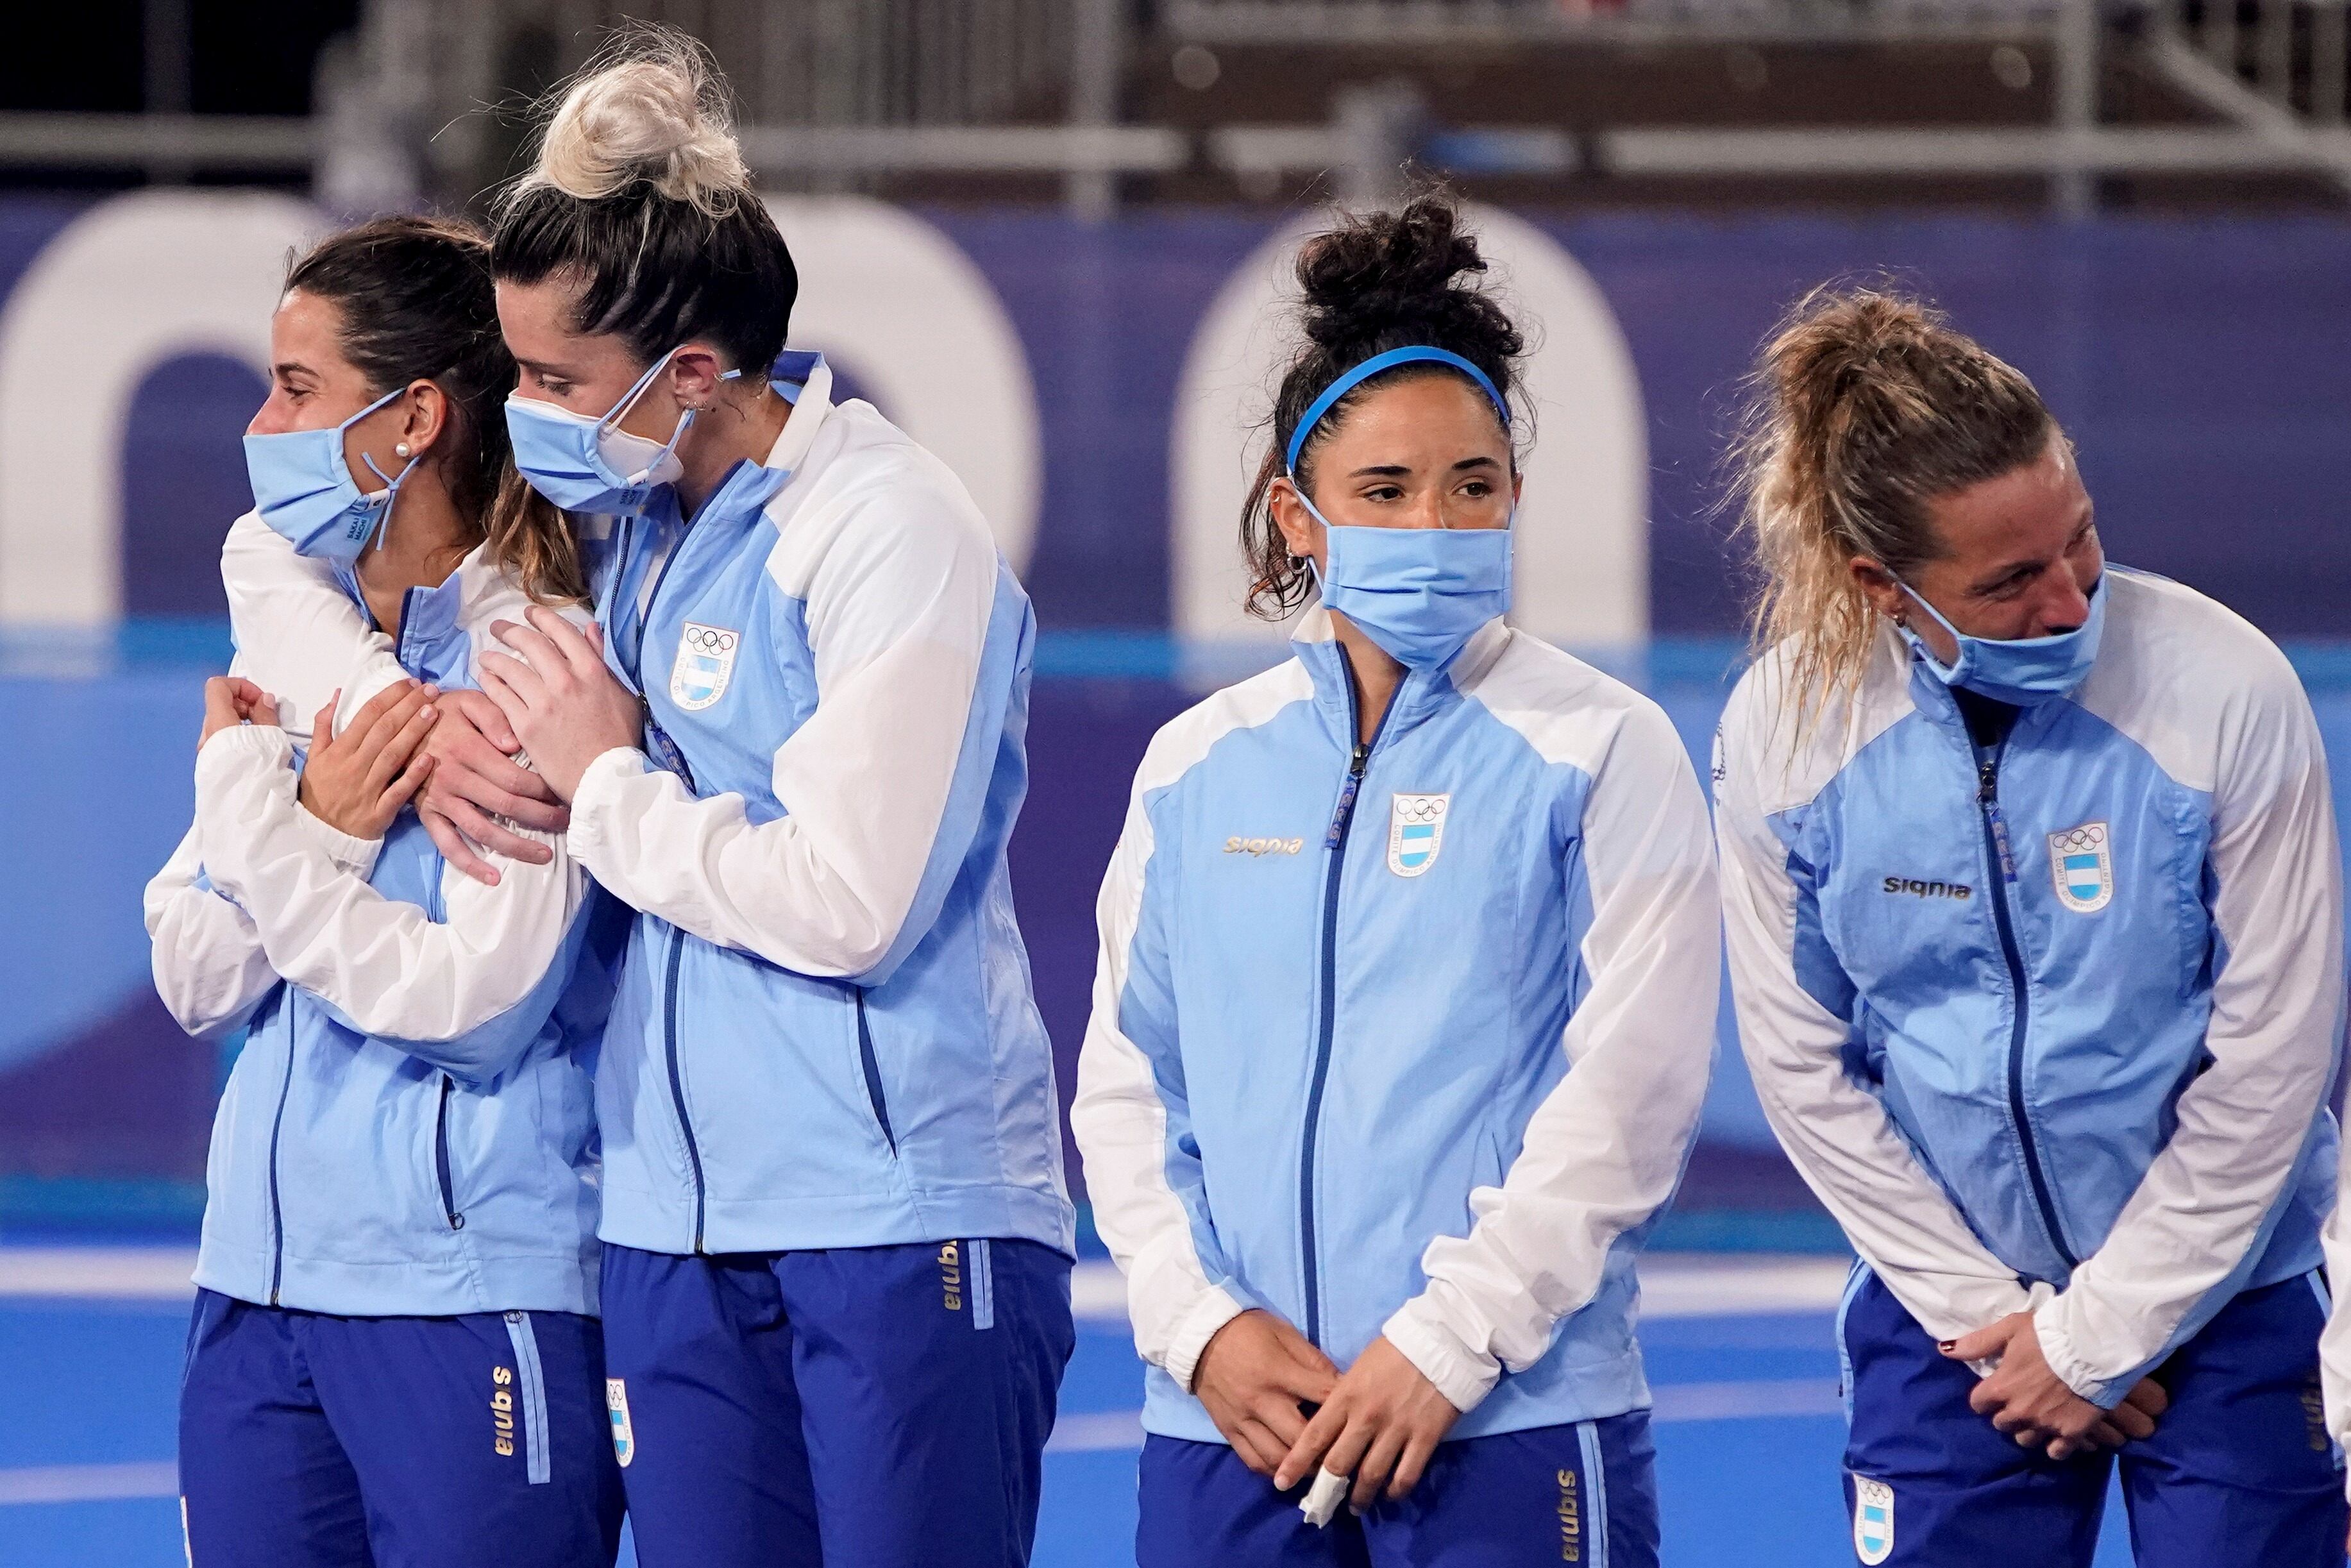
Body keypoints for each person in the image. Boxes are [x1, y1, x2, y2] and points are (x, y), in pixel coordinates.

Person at [221, 29, 1075, 1567]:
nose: (521, 415)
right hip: (672, 1233)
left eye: (552, 380)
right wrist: (400, 720)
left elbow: (850, 900)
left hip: (898, 1216)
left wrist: (600, 778)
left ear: (690, 375)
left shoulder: (886, 528)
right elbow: (280, 562)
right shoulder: (621, 535)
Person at [1069, 193, 1720, 1567]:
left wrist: (1445, 1342)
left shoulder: (1604, 746)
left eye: (1473, 484)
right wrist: (1200, 1327)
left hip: (1504, 1417)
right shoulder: (1197, 765)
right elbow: (1130, 1088)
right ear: (1297, 518)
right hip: (1234, 1423)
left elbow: (1630, 1102)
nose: (1439, 520)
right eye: (1386, 491)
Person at [1714, 285, 2347, 1565]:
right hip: (1953, 1326)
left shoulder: (2226, 688)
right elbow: (1803, 1067)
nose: (2069, 598)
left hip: (2228, 1303)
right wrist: (1999, 1327)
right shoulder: (1785, 734)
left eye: (2084, 540)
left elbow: (2275, 1060)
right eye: (2008, 581)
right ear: (1881, 584)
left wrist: (2098, 1335)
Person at [142, 216, 625, 1567]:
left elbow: (477, 1006)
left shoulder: (544, 661)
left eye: (297, 387)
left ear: (413, 418)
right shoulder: (295, 638)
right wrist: (324, 824)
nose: (259, 419)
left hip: (472, 1293)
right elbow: (191, 966)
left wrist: (271, 829)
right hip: (255, 1289)